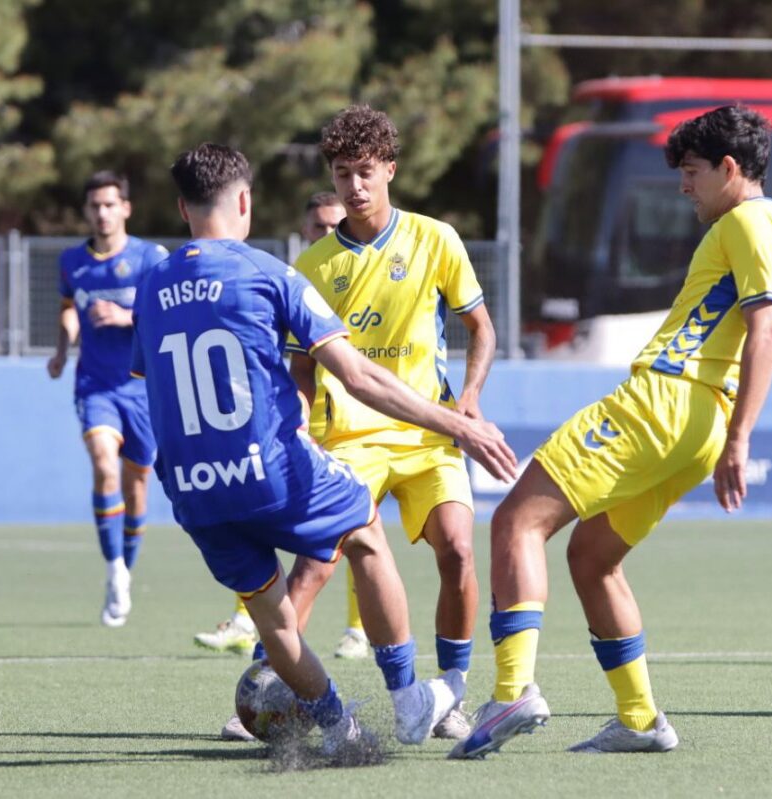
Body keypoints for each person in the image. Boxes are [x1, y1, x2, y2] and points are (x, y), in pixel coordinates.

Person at [131, 142, 516, 755]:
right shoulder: (270, 273)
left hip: (192, 489)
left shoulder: (151, 285)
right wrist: (460, 425)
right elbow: (357, 376)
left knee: (274, 618)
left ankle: (339, 728)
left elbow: (149, 380)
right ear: (245, 201)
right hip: (270, 466)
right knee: (364, 529)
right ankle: (408, 699)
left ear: (182, 208)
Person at [448, 105, 772, 760]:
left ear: (730, 168)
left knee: (517, 522)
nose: (684, 186)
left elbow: (769, 333)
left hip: (660, 403)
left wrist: (740, 435)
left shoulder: (746, 222)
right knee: (592, 558)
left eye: (692, 172)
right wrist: (721, 403)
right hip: (695, 423)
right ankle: (640, 718)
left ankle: (511, 691)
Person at [284, 105, 499, 738]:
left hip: (429, 434)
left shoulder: (436, 239)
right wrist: (300, 427)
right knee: (315, 566)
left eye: (366, 171)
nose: (354, 186)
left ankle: (449, 696)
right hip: (348, 439)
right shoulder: (312, 265)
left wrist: (470, 397)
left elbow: (481, 328)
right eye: (342, 173)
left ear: (390, 171)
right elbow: (301, 368)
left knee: (458, 550)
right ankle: (271, 686)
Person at [193, 191, 348, 659]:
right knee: (261, 520)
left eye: (334, 225)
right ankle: (250, 625)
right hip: (295, 420)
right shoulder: (287, 275)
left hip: (354, 422)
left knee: (354, 531)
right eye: (318, 226)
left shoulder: (367, 269)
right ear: (305, 230)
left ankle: (355, 632)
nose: (325, 234)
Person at [47, 171, 168, 627]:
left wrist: (124, 315)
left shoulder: (149, 257)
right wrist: (62, 349)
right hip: (95, 386)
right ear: (86, 210)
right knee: (103, 462)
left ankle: (126, 570)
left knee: (137, 486)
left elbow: (166, 310)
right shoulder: (71, 261)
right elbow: (68, 307)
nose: (102, 212)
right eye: (95, 205)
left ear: (125, 208)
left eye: (110, 204)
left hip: (142, 388)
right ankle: (114, 566)